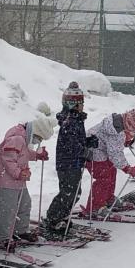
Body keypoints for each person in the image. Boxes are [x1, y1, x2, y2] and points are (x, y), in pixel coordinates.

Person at [0, 105, 56, 251]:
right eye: (38, 138)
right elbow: (8, 158)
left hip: (18, 183)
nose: (37, 142)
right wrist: (19, 173)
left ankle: (20, 230)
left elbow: (23, 153)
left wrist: (37, 155)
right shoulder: (17, 138)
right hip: (6, 182)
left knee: (24, 204)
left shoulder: (22, 137)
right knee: (8, 210)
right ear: (35, 132)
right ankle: (2, 238)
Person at [82, 108, 135, 217]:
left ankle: (107, 198)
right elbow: (115, 153)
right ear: (130, 125)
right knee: (103, 178)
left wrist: (126, 139)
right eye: (134, 131)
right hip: (93, 153)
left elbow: (112, 148)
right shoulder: (116, 133)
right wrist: (126, 168)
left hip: (102, 151)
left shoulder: (118, 123)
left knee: (111, 172)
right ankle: (95, 207)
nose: (133, 134)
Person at [43, 83, 88, 235]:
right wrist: (85, 150)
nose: (83, 106)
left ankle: (61, 215)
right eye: (80, 103)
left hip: (73, 162)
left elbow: (77, 141)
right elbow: (71, 146)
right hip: (68, 163)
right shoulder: (70, 122)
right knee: (69, 192)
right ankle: (53, 219)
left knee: (74, 192)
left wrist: (87, 142)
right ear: (73, 104)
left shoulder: (76, 119)